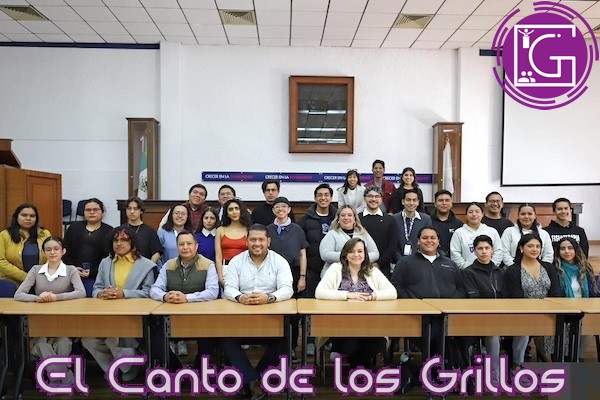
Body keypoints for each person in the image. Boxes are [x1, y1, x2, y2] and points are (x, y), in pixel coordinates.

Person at [223, 224, 293, 400]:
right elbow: (229, 288)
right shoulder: (236, 261)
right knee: (225, 339)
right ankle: (253, 381)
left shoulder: (279, 261)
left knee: (286, 340)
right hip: (240, 318)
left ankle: (253, 380)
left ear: (268, 241)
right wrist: (240, 297)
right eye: (253, 239)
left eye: (261, 239)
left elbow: (287, 289)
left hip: (270, 319)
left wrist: (269, 298)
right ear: (246, 242)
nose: (257, 243)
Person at [81, 226, 156, 382]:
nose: (119, 243)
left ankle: (130, 368)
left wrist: (124, 294)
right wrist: (101, 294)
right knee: (87, 339)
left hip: (132, 318)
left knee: (113, 338)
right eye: (116, 240)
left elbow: (149, 292)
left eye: (124, 240)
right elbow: (96, 288)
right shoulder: (105, 262)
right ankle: (113, 369)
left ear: (132, 243)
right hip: (107, 315)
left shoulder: (146, 265)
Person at [315, 238, 397, 369]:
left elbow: (392, 292)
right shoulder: (336, 269)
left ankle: (359, 371)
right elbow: (319, 292)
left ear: (365, 254)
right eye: (351, 251)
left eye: (360, 251)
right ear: (345, 255)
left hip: (370, 324)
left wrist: (372, 296)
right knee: (351, 344)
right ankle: (360, 371)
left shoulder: (372, 271)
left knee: (376, 343)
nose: (356, 255)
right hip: (341, 324)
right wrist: (348, 295)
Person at [14, 236, 85, 386]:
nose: (52, 252)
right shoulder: (36, 270)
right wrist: (37, 298)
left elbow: (81, 292)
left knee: (63, 343)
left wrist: (56, 297)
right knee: (40, 344)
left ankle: (54, 377)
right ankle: (64, 376)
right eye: (48, 249)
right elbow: (18, 294)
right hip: (40, 320)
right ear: (44, 252)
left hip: (62, 320)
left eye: (56, 249)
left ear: (63, 251)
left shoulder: (71, 270)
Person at [391, 227, 464, 359]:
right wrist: (412, 303)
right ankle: (433, 366)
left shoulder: (450, 264)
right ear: (418, 241)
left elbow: (460, 287)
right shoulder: (405, 263)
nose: (429, 241)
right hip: (418, 315)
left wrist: (454, 303)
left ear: (438, 241)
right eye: (425, 238)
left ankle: (449, 365)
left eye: (433, 238)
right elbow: (397, 285)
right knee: (433, 336)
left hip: (448, 314)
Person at [150, 231, 219, 368]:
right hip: (172, 317)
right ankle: (176, 369)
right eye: (181, 244)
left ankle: (200, 369)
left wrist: (186, 298)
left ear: (196, 246)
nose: (185, 247)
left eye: (189, 244)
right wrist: (165, 296)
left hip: (201, 317)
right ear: (177, 247)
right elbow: (154, 289)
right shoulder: (168, 265)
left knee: (210, 338)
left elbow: (212, 292)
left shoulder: (208, 265)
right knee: (155, 340)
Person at [504, 234, 560, 367]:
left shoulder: (549, 267)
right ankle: (517, 366)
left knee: (556, 331)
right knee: (525, 330)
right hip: (523, 314)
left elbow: (556, 293)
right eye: (530, 246)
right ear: (521, 248)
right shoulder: (513, 270)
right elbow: (516, 298)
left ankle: (553, 365)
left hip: (547, 312)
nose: (534, 249)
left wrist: (546, 311)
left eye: (538, 246)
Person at [266, 196, 308, 361]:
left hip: (294, 273)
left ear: (289, 209)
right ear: (273, 210)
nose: (281, 209)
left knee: (292, 313)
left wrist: (302, 277)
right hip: (272, 274)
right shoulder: (268, 229)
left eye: (284, 206)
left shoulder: (297, 229)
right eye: (277, 207)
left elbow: (303, 254)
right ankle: (274, 347)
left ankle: (291, 347)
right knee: (274, 310)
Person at [462, 235, 504, 384]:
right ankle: (494, 375)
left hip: (500, 315)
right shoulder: (468, 272)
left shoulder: (500, 271)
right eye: (480, 248)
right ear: (474, 251)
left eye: (487, 248)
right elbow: (474, 297)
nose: (484, 251)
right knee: (492, 334)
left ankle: (514, 367)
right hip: (478, 316)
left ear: (492, 250)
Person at [553, 237, 598, 360]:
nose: (567, 251)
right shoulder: (554, 269)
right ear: (558, 251)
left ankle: (578, 359)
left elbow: (593, 292)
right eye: (563, 248)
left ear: (576, 250)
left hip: (584, 312)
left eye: (570, 248)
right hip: (563, 313)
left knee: (589, 327)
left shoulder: (585, 268)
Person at [63, 198, 113, 297]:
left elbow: (110, 257)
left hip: (98, 277)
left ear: (102, 213)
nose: (92, 212)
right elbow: (65, 251)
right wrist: (72, 268)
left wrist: (93, 271)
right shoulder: (73, 228)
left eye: (95, 210)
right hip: (72, 274)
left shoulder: (109, 231)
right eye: (88, 210)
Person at [298, 183, 337, 299]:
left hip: (334, 269)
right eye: (320, 195)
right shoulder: (305, 220)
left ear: (331, 198)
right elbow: (301, 247)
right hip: (311, 269)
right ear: (315, 198)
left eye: (326, 195)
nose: (323, 198)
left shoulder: (339, 218)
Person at [319, 205, 379, 278]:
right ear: (338, 219)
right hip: (335, 276)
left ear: (354, 219)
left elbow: (375, 253)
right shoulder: (332, 234)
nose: (346, 218)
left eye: (350, 215)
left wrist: (359, 257)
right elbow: (325, 255)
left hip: (359, 276)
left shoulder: (363, 233)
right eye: (343, 215)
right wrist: (347, 256)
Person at [0, 203, 51, 286]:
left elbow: (52, 256)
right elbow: (1, 262)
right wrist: (27, 277)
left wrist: (42, 277)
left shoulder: (44, 234)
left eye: (32, 216)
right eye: (24, 215)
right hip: (12, 282)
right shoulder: (4, 235)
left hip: (40, 282)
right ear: (16, 217)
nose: (28, 218)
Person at [359, 186, 398, 278]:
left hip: (382, 268)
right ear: (364, 198)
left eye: (377, 196)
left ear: (381, 200)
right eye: (370, 196)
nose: (373, 199)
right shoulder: (357, 219)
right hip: (359, 266)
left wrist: (378, 263)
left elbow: (392, 245)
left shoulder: (390, 220)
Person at [450, 202, 502, 269]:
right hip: (466, 272)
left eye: (477, 212)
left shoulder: (492, 231)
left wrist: (490, 267)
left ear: (482, 214)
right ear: (466, 215)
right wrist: (467, 269)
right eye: (470, 212)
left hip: (489, 271)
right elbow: (455, 254)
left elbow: (498, 251)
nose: (474, 214)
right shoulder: (459, 233)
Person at [215, 198, 252, 288]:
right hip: (226, 268)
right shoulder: (220, 230)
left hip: (245, 268)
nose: (234, 212)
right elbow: (218, 256)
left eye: (236, 208)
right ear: (227, 213)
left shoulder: (248, 230)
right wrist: (220, 276)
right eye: (230, 209)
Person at [122, 196, 163, 264]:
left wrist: (149, 266)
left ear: (141, 211)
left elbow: (157, 252)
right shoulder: (120, 230)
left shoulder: (150, 231)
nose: (132, 211)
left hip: (144, 267)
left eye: (135, 209)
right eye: (129, 208)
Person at [393, 189, 432, 259]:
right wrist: (400, 260)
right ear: (403, 202)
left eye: (414, 200)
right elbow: (391, 242)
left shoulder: (426, 219)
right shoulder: (394, 219)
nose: (411, 203)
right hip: (396, 261)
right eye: (408, 200)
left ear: (418, 202)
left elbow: (427, 242)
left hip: (419, 260)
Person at [429, 190, 463, 256]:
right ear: (435, 204)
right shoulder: (428, 222)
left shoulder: (459, 224)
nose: (444, 203)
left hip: (452, 260)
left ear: (451, 203)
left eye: (447, 200)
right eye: (440, 200)